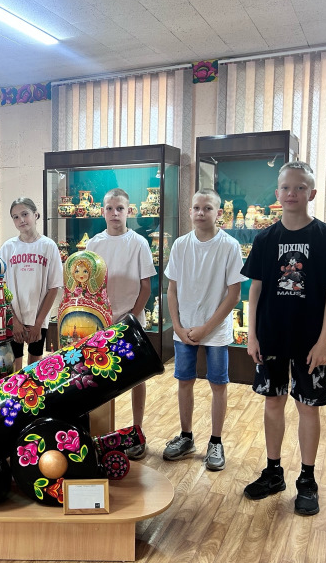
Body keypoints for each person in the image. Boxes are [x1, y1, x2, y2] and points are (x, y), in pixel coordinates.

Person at [241, 161, 326, 515]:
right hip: (271, 337)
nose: (292, 193)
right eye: (286, 188)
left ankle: (307, 479)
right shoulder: (265, 238)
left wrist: (324, 341)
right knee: (272, 403)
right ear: (277, 193)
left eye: (300, 187)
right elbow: (255, 290)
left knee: (308, 407)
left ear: (312, 193)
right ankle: (273, 471)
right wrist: (252, 334)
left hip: (310, 341)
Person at [163, 189, 245, 471]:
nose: (201, 212)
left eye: (207, 208)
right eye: (196, 207)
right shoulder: (180, 245)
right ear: (190, 212)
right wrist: (177, 326)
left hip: (216, 332)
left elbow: (234, 295)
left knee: (218, 385)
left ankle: (216, 442)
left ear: (218, 213)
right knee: (184, 382)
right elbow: (171, 290)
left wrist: (206, 328)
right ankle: (186, 437)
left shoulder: (229, 246)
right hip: (184, 330)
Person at [86, 188, 156, 460]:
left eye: (120, 209)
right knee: (103, 379)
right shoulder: (93, 244)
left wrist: (130, 319)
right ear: (102, 211)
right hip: (101, 325)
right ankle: (104, 435)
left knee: (138, 378)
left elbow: (146, 287)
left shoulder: (139, 243)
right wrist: (98, 318)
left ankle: (138, 432)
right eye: (109, 208)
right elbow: (88, 287)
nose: (114, 213)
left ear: (129, 211)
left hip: (131, 324)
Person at [0, 198, 63, 370]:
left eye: (25, 214)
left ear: (36, 215)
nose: (21, 220)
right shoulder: (8, 248)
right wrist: (13, 320)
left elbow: (53, 287)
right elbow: (0, 287)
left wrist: (38, 322)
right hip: (13, 318)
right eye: (15, 217)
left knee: (34, 368)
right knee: (14, 367)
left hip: (38, 319)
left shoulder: (48, 246)